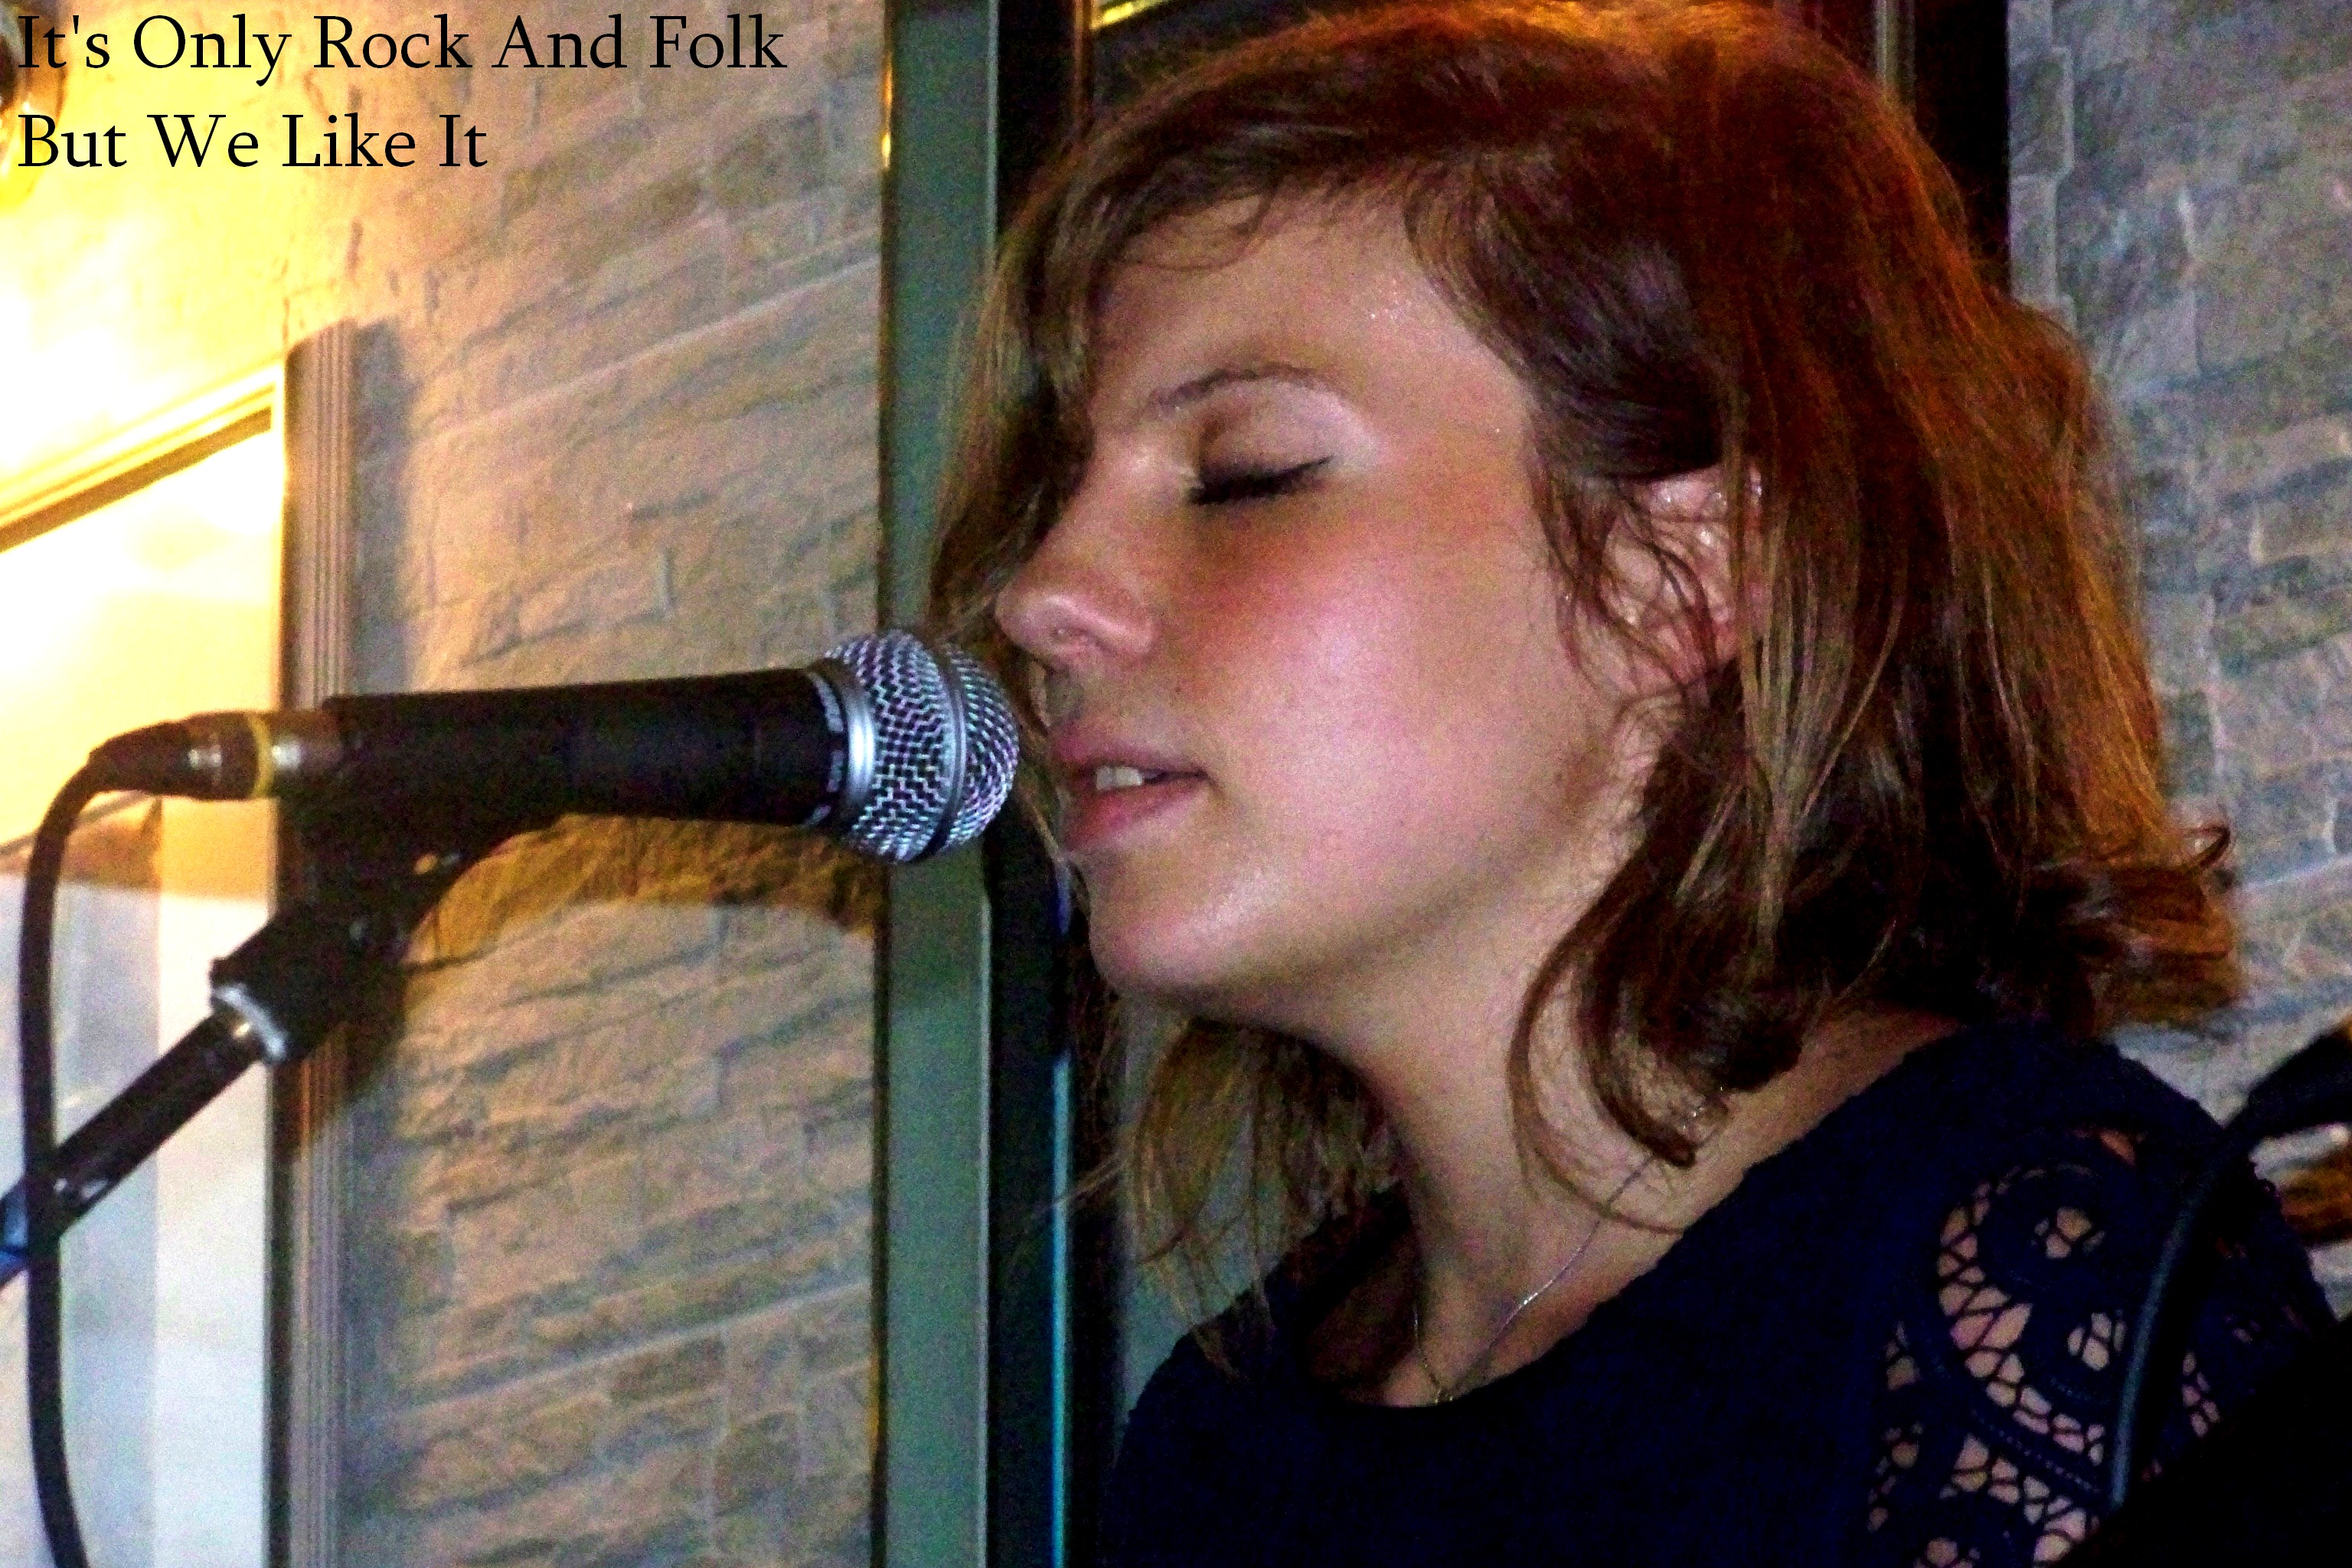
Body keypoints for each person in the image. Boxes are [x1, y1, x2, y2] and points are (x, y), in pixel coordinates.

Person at [926, 2, 2331, 1563]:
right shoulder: (1218, 1436)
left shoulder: (2028, 1263)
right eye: (1065, 496)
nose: (1044, 596)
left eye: (1244, 472)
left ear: (1681, 578)